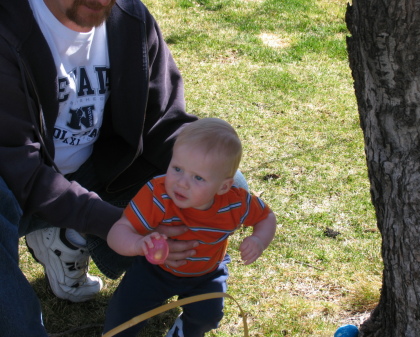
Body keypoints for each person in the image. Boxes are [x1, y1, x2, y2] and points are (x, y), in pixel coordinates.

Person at [0, 0, 216, 335]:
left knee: (218, 185)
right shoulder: (7, 26)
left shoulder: (129, 19)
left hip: (96, 175)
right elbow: (18, 166)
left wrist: (206, 165)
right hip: (14, 189)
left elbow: (161, 122)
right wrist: (119, 223)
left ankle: (69, 236)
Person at [103, 118, 277, 337]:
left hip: (207, 273)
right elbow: (118, 232)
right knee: (124, 312)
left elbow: (266, 217)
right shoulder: (157, 195)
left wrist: (259, 239)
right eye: (177, 168)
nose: (182, 182)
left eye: (198, 177)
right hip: (154, 270)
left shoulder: (237, 203)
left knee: (208, 315)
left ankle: (184, 331)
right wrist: (138, 244)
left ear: (223, 186)